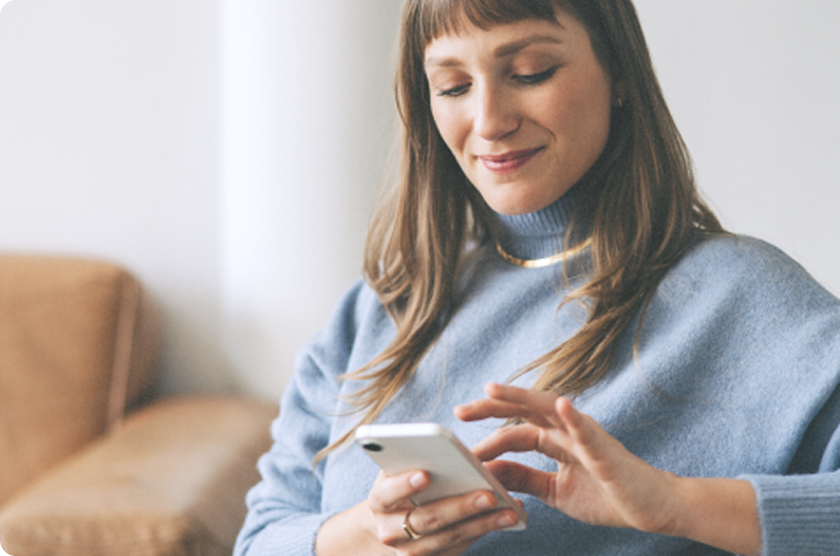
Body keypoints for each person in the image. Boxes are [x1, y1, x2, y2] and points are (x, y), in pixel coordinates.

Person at [234, 0, 840, 554]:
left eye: (529, 72)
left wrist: (674, 504)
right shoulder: (383, 308)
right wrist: (369, 534)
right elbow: (259, 537)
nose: (489, 120)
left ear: (619, 75)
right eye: (453, 86)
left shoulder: (743, 298)